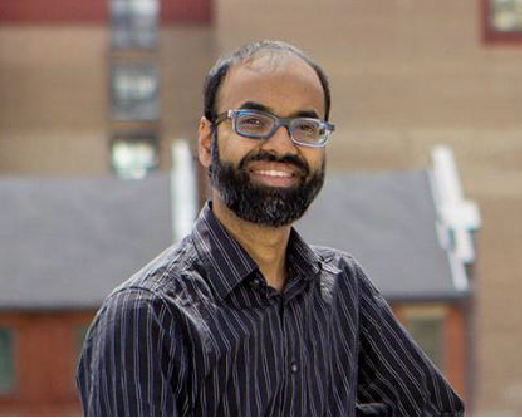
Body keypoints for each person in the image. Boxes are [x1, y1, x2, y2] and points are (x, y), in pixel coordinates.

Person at [76, 40, 465, 416]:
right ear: (207, 142)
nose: (281, 146)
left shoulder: (344, 288)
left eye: (305, 127)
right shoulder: (146, 317)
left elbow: (436, 411)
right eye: (254, 122)